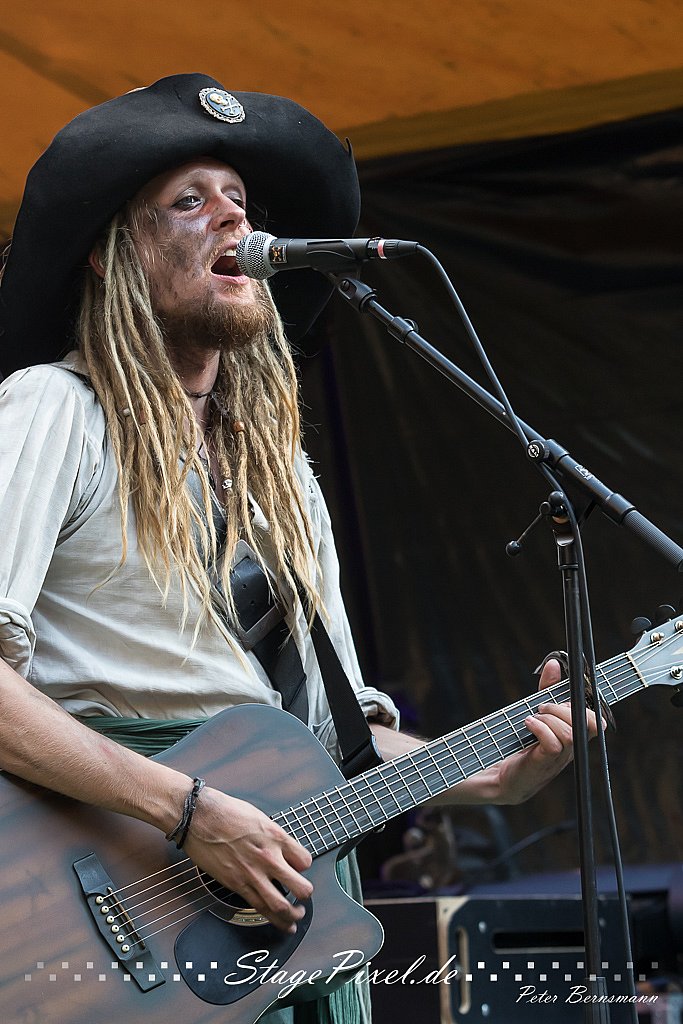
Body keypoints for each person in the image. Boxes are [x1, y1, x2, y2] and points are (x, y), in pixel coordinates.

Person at [0, 74, 598, 1023]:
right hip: (101, 887)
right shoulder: (55, 410)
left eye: (239, 198)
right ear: (113, 258)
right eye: (189, 201)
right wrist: (188, 811)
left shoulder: (280, 478)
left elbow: (332, 745)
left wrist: (487, 774)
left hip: (271, 918)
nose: (232, 217)